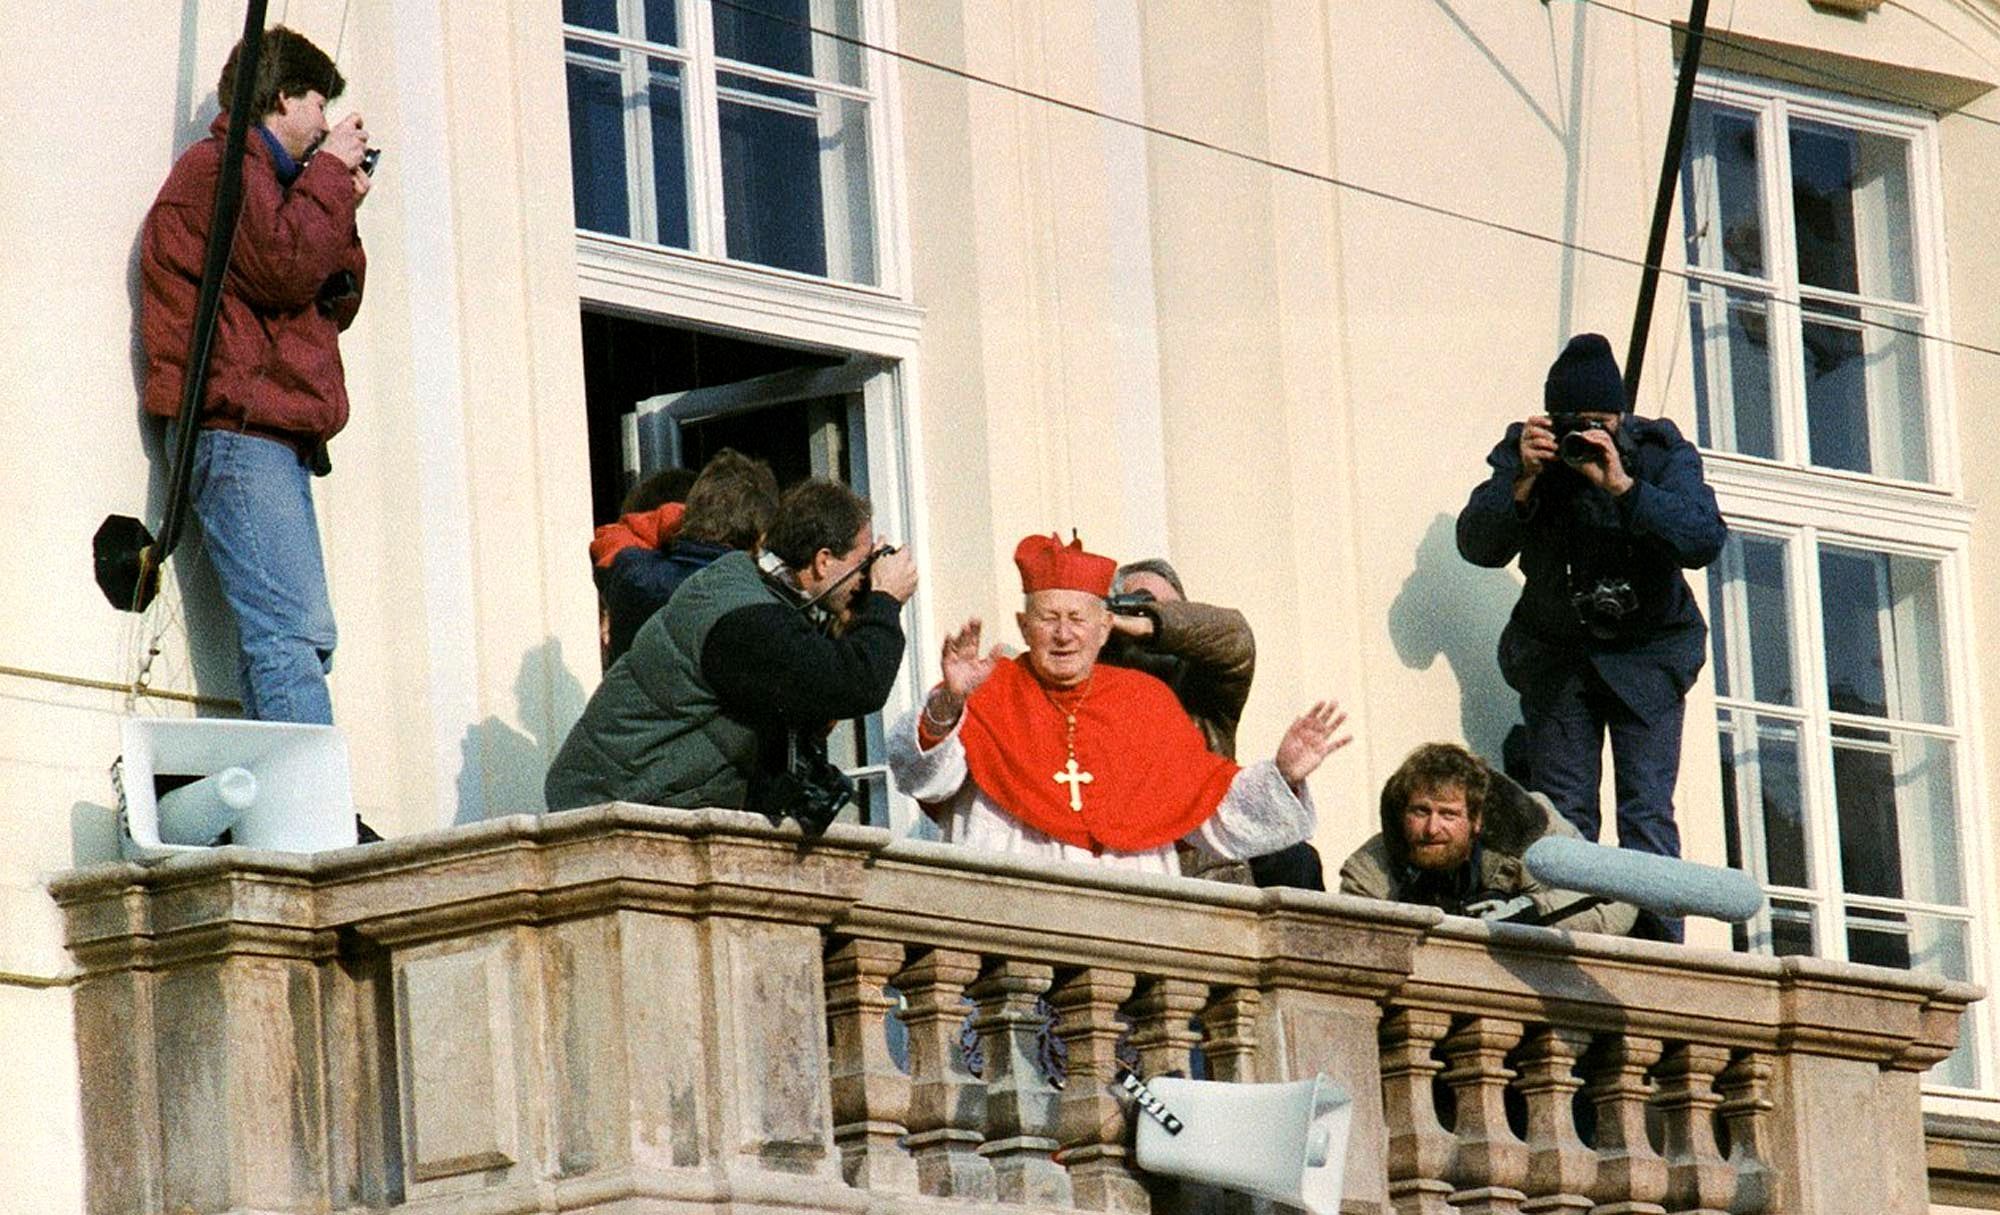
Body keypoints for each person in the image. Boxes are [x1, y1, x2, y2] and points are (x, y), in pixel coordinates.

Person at [1456, 333, 1725, 940]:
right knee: (1561, 820)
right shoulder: (1528, 455)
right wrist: (1523, 480)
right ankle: (1570, 946)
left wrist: (1625, 487)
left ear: (1621, 418)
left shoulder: (1658, 453)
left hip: (1649, 659)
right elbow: (1476, 544)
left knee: (1647, 814)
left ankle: (1656, 956)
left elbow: (1704, 538)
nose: (1585, 438)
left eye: (1598, 423)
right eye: (1573, 424)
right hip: (1559, 658)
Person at [139, 27, 371, 725]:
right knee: (291, 636)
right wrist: (330, 178)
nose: (326, 123)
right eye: (316, 103)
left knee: (294, 637)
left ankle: (288, 802)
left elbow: (334, 296)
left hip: (263, 433)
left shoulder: (275, 183)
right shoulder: (220, 170)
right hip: (237, 430)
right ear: (280, 98)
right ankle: (313, 819)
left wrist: (339, 203)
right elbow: (281, 267)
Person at [887, 533, 1351, 875]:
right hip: (1014, 940)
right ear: (1024, 626)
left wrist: (1283, 773)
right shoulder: (988, 689)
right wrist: (948, 702)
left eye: (1078, 619)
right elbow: (923, 780)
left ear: (1106, 627)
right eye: (1048, 618)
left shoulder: (1147, 702)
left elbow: (1212, 810)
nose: (1064, 634)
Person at [545, 478, 917, 822]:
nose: (869, 576)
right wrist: (884, 601)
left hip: (639, 800)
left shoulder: (751, 589)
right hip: (613, 808)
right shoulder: (745, 618)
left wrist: (855, 619)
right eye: (863, 562)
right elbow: (857, 684)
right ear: (823, 561)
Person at [1104, 558, 1324, 890]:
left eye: (1170, 611)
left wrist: (1150, 624)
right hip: (1129, 865)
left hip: (1205, 869)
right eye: (1137, 605)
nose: (1148, 616)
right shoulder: (1097, 688)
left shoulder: (1200, 691)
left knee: (1296, 857)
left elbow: (1235, 636)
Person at [1338, 742, 1637, 935]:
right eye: (1420, 811)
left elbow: (1619, 896)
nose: (1432, 828)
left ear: (1477, 819)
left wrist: (1527, 913)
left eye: (1448, 815)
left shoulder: (1529, 833)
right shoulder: (1368, 870)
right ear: (1403, 813)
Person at [592, 451, 779, 664]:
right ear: (758, 537)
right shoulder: (748, 601)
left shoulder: (634, 577)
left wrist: (682, 519)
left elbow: (611, 537)